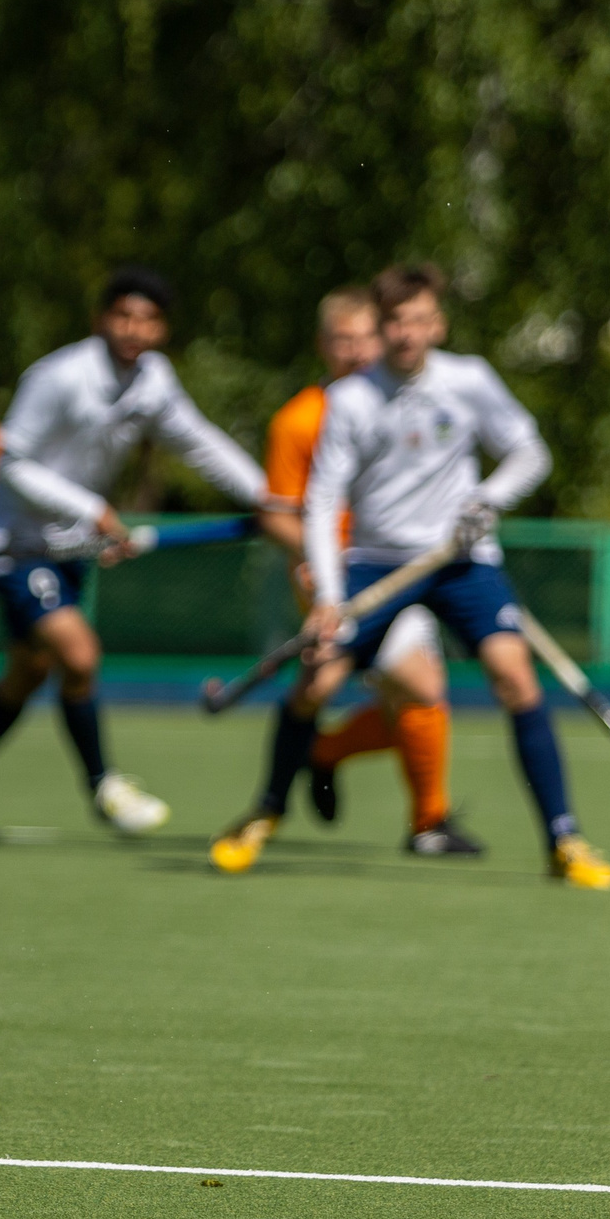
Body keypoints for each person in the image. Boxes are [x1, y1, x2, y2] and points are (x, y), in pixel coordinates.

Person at [213, 262, 610, 889]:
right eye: (394, 322)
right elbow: (322, 502)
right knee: (317, 683)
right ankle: (264, 814)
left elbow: (530, 451)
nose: (406, 334)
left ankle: (564, 839)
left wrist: (486, 501)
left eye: (418, 320)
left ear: (438, 323)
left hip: (460, 560)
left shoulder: (469, 380)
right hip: (375, 562)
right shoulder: (349, 400)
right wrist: (325, 594)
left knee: (515, 676)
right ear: (381, 326)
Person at [0, 268, 264, 840]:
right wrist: (92, 509)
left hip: (69, 546)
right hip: (14, 541)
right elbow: (13, 464)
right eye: (123, 316)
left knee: (29, 672)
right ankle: (104, 784)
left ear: (161, 329)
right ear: (102, 319)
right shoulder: (59, 376)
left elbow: (198, 441)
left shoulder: (154, 380)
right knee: (78, 656)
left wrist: (265, 497)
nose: (134, 329)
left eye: (147, 320)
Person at [232, 285, 475, 862]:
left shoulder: (402, 401)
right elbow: (278, 514)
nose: (356, 350)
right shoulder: (299, 420)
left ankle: (425, 821)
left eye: (365, 337)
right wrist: (326, 566)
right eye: (343, 340)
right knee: (320, 687)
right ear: (323, 345)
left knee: (417, 688)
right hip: (328, 583)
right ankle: (286, 789)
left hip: (400, 570)